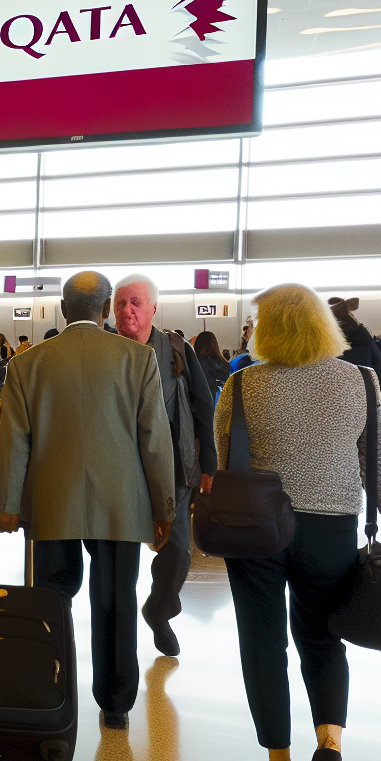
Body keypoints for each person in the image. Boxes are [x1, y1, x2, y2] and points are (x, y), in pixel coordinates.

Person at [216, 284, 381, 761]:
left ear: (266, 328)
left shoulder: (240, 386)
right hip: (332, 527)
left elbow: (227, 466)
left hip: (257, 527)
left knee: (263, 639)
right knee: (323, 636)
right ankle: (329, 746)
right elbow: (378, 470)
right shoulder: (361, 380)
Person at [0, 270, 174, 730]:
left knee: (53, 597)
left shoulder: (27, 364)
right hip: (122, 505)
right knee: (115, 599)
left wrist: (8, 506)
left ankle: (50, 686)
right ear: (106, 306)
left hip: (51, 502)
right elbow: (155, 441)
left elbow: (15, 440)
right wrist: (163, 509)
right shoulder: (138, 359)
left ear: (62, 309)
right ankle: (115, 703)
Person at [112, 274, 219, 658]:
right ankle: (117, 637)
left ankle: (159, 610)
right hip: (118, 471)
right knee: (117, 560)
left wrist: (209, 462)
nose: (128, 311)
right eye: (121, 303)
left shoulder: (175, 347)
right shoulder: (104, 350)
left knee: (176, 554)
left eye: (136, 303)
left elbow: (203, 405)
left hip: (173, 467)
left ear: (153, 308)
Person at [193, 330, 232, 397]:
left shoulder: (194, 362)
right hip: (219, 401)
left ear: (197, 345)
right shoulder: (225, 364)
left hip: (199, 402)